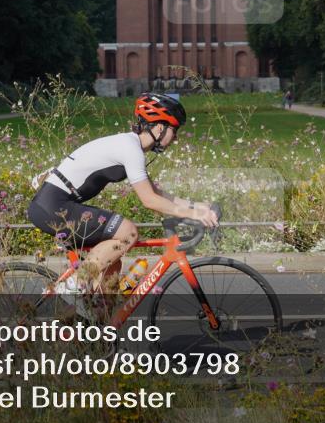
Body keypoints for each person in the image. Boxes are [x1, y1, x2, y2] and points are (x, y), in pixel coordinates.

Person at [27, 92, 218, 295]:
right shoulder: (130, 149)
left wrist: (196, 206)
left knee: (112, 266)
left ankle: (97, 319)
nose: (176, 137)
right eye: (175, 129)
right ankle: (74, 286)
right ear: (160, 127)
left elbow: (155, 192)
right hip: (54, 206)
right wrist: (194, 215)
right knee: (128, 233)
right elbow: (150, 200)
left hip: (54, 205)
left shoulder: (130, 146)